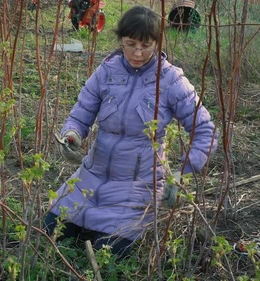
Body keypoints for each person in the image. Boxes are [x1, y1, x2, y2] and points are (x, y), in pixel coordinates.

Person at [44, 5, 218, 260]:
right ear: (121, 40)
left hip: (138, 185)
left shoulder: (171, 81)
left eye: (146, 46)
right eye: (130, 44)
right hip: (91, 174)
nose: (137, 53)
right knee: (50, 230)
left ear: (158, 43)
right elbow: (81, 112)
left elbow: (205, 130)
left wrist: (182, 173)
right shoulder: (107, 71)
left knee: (110, 252)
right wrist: (71, 135)